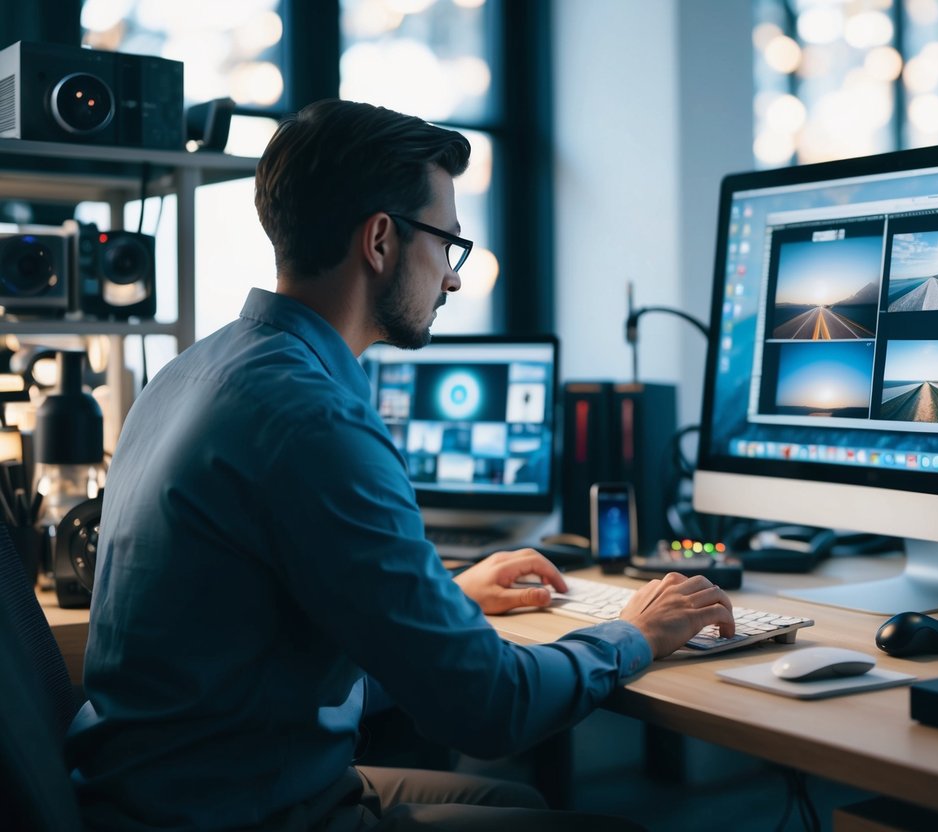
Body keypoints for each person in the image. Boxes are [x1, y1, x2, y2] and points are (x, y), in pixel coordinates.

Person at [65, 99, 735, 831]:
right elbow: (491, 710)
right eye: (447, 243)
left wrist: (449, 603)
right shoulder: (313, 418)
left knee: (515, 803)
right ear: (381, 239)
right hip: (241, 814)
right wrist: (635, 633)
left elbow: (267, 652)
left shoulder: (191, 372)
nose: (451, 279)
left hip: (154, 793)